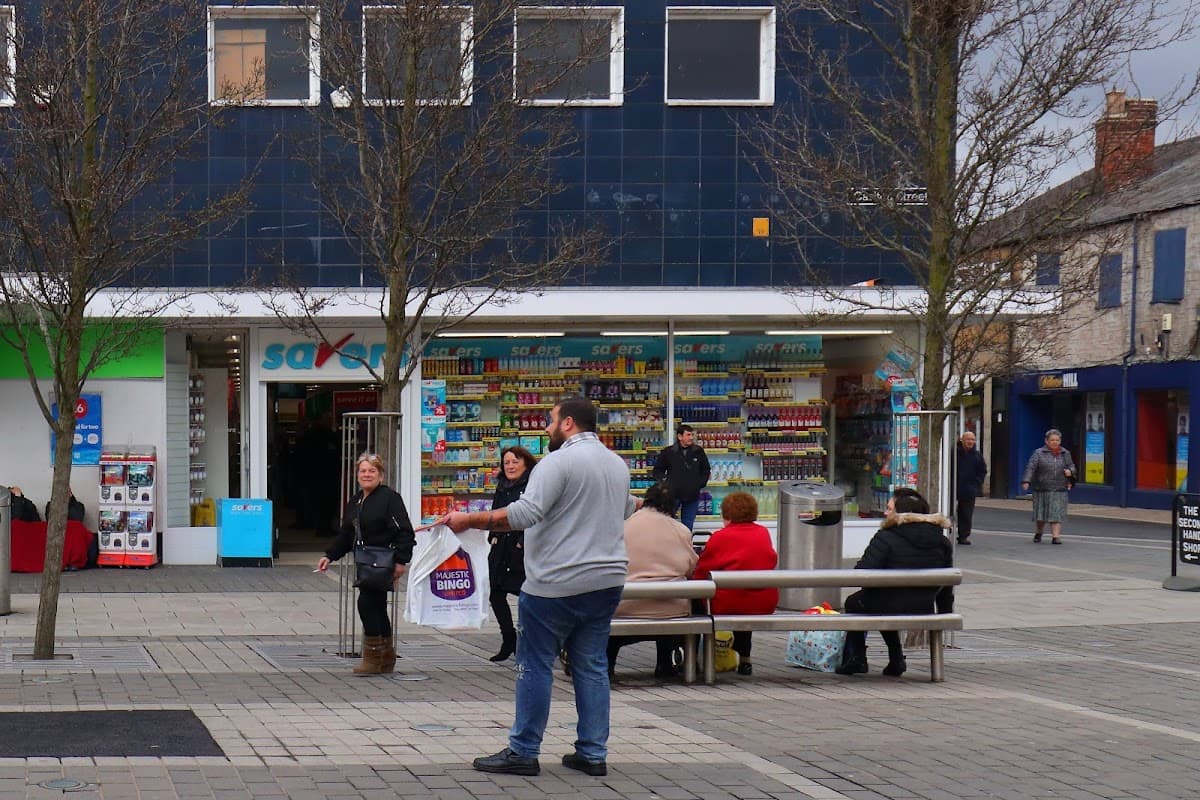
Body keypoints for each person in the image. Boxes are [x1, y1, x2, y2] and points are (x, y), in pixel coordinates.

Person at [441, 396, 635, 778]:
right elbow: (627, 508)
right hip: (608, 579)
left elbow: (525, 514)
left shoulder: (557, 462)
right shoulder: (616, 464)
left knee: (533, 665)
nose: (546, 428)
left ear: (568, 423)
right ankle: (592, 752)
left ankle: (523, 750)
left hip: (555, 583)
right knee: (592, 665)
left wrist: (470, 520)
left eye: (551, 420)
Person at [836, 487, 954, 677]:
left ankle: (857, 658)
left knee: (856, 602)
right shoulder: (942, 542)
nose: (885, 512)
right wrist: (945, 613)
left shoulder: (886, 536)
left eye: (890, 509)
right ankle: (896, 659)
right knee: (881, 602)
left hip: (886, 603)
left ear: (901, 514)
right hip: (923, 606)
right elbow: (947, 584)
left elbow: (863, 573)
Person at [316, 452, 415, 675]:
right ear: (357, 475)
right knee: (377, 606)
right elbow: (346, 533)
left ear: (380, 475)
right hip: (366, 561)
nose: (367, 474)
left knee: (367, 603)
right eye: (363, 471)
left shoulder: (390, 498)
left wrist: (401, 561)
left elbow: (405, 532)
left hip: (383, 561)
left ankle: (372, 658)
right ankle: (385, 657)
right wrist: (329, 555)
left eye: (372, 471)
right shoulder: (356, 500)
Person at [606, 483, 698, 680]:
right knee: (682, 601)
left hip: (626, 607)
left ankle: (608, 665)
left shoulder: (624, 527)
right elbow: (690, 567)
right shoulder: (681, 530)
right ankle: (667, 664)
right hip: (672, 609)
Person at [692, 491, 778, 676]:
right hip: (762, 601)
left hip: (729, 602)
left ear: (727, 515)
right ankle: (745, 658)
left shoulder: (721, 536)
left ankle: (696, 659)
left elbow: (703, 570)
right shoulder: (763, 532)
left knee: (700, 601)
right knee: (746, 596)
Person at [487, 445, 537, 663]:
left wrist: (523, 541)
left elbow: (536, 516)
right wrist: (492, 536)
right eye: (507, 462)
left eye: (515, 461)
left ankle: (529, 642)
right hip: (501, 547)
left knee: (525, 596)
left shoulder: (533, 485)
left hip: (523, 548)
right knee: (495, 593)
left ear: (525, 463)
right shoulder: (502, 485)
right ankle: (508, 639)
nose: (510, 466)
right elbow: (494, 513)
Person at [1021, 428, 1076, 545]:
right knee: (1041, 514)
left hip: (1059, 488)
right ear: (1046, 441)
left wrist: (1070, 472)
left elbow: (1072, 466)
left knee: (1056, 513)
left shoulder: (1065, 453)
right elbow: (1031, 467)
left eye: (1057, 440)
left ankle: (1056, 536)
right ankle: (1039, 531)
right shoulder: (1038, 453)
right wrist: (1026, 480)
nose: (1055, 442)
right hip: (1042, 488)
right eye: (1052, 440)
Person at [652, 424, 711, 531]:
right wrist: (666, 484)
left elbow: (706, 470)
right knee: (668, 524)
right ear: (680, 437)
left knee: (687, 527)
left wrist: (700, 484)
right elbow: (657, 470)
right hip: (672, 495)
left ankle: (686, 546)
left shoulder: (698, 452)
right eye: (688, 435)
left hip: (692, 495)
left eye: (692, 435)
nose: (691, 438)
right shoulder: (668, 452)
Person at [954, 431, 987, 545]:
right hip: (953, 487)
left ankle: (963, 536)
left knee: (966, 514)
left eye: (973, 439)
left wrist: (977, 483)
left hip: (969, 488)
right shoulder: (954, 453)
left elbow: (982, 470)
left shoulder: (977, 455)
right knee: (948, 510)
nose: (971, 442)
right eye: (968, 439)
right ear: (962, 440)